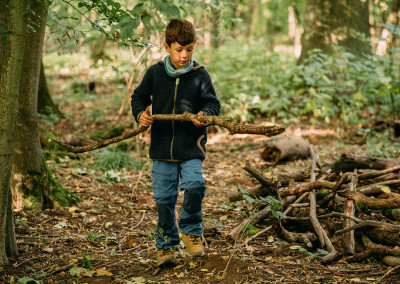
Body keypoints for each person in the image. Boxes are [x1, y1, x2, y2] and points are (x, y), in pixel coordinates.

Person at [131, 19, 221, 266]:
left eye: (189, 49)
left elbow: (212, 104)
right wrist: (140, 114)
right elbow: (138, 97)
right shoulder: (155, 73)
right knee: (164, 199)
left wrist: (205, 116)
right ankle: (166, 245)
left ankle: (191, 231)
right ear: (167, 47)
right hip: (161, 148)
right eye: (179, 50)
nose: (184, 56)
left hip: (191, 147)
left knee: (194, 185)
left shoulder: (200, 74)